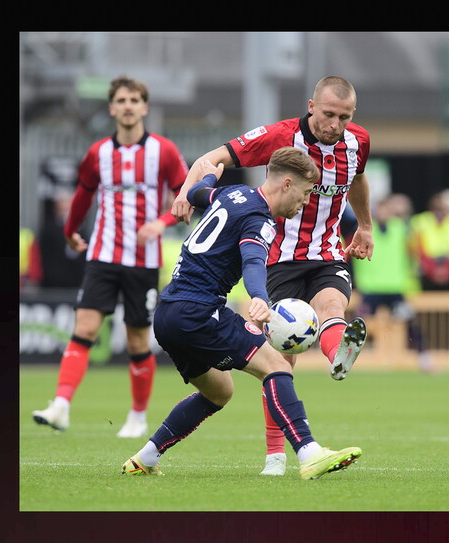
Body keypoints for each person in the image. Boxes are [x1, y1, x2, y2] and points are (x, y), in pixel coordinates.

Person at [170, 76, 373, 476]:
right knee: (281, 359)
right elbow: (210, 160)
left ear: (353, 116)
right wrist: (183, 192)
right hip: (276, 257)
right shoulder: (280, 135)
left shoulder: (358, 142)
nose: (334, 125)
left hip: (327, 251)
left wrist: (364, 226)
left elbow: (359, 179)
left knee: (332, 305)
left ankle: (338, 355)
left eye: (344, 117)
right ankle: (275, 456)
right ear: (311, 105)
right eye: (328, 114)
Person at [122, 147, 362, 479]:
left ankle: (145, 458)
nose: (305, 203)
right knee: (276, 365)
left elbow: (196, 193)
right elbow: (252, 261)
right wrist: (260, 297)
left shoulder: (235, 193)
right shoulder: (260, 218)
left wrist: (208, 176)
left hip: (168, 314)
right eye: (306, 194)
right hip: (199, 311)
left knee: (219, 391)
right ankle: (309, 452)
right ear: (287, 184)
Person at [32, 76, 189, 438]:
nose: (129, 105)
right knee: (84, 327)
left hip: (143, 261)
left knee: (136, 340)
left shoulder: (163, 151)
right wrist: (71, 230)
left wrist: (161, 223)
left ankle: (137, 416)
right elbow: (83, 194)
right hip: (102, 255)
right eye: (122, 100)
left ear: (144, 107)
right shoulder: (98, 153)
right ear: (112, 108)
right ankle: (61, 406)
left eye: (135, 99)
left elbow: (185, 193)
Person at [350, 193, 433, 372]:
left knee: (410, 322)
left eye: (387, 210)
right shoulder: (363, 230)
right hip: (371, 287)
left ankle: (424, 358)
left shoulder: (402, 228)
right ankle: (343, 357)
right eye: (380, 210)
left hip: (395, 286)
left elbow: (415, 250)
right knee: (358, 324)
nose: (384, 213)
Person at [410, 189, 449, 291]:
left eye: (443, 209)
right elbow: (415, 247)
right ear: (431, 209)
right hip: (425, 269)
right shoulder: (420, 221)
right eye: (437, 209)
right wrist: (431, 268)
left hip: (447, 267)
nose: (440, 213)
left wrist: (446, 269)